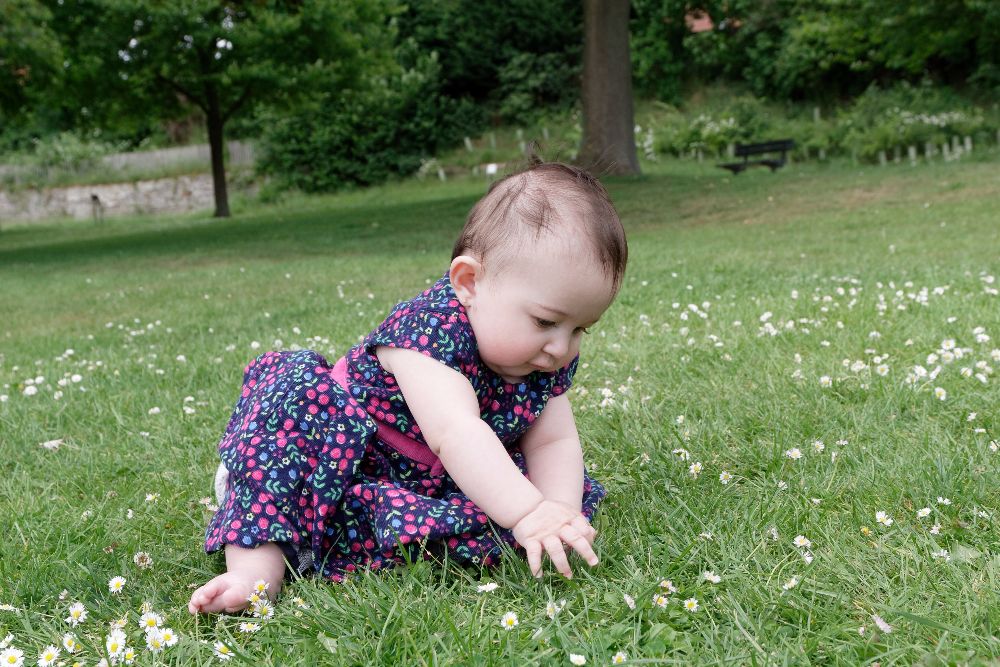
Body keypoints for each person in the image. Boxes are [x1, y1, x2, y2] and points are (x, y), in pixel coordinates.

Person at [188, 160, 628, 614]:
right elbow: (456, 433)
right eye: (546, 321)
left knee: (503, 503)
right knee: (287, 420)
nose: (561, 347)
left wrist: (558, 514)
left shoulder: (541, 359)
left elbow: (553, 440)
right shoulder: (427, 333)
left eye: (581, 329)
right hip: (334, 455)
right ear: (469, 283)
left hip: (419, 480)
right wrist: (528, 512)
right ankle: (253, 572)